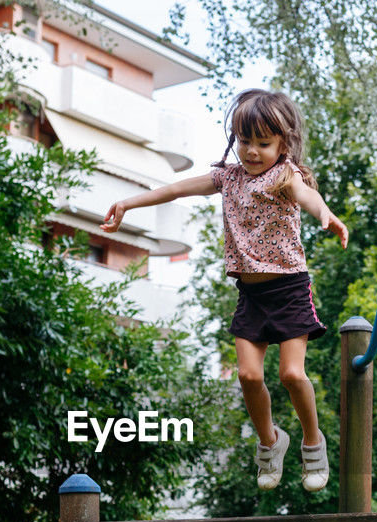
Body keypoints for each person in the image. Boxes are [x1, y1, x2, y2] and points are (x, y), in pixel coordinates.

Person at [102, 89, 348, 492]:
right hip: (250, 294)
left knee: (290, 373)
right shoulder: (226, 177)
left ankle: (312, 442)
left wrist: (326, 215)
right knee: (249, 377)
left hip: (288, 288)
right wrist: (128, 203)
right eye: (244, 141)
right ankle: (271, 442)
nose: (252, 152)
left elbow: (309, 196)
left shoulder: (285, 176)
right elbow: (178, 189)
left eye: (263, 143)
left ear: (283, 143)